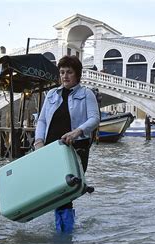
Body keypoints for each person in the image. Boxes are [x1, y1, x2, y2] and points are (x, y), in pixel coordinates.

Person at [34, 55, 100, 233]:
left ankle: (64, 236)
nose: (65, 76)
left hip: (76, 148)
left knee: (65, 191)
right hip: (51, 150)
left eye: (69, 72)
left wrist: (77, 131)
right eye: (62, 72)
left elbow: (94, 119)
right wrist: (38, 141)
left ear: (77, 74)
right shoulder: (51, 94)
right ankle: (63, 231)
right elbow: (41, 121)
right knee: (57, 190)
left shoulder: (87, 94)